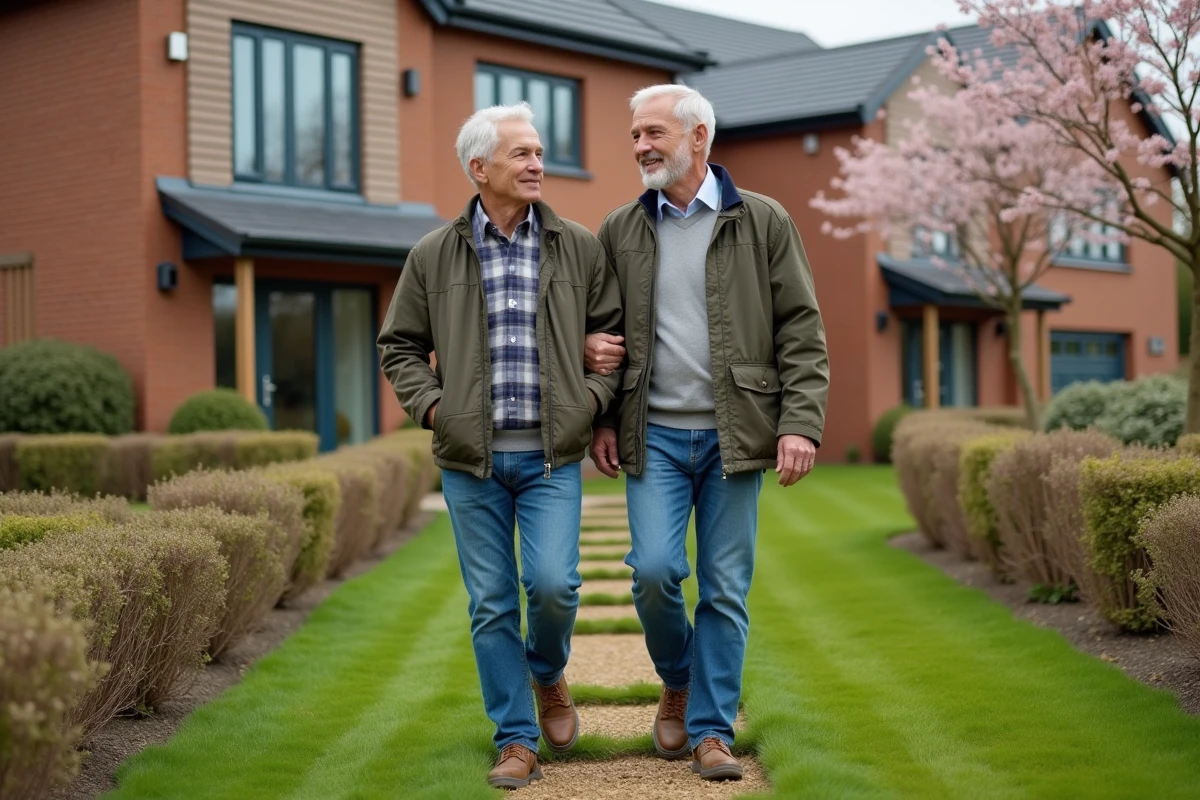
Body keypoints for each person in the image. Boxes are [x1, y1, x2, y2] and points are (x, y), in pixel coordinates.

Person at [585, 84, 829, 781]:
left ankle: (711, 732)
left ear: (698, 137)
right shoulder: (621, 228)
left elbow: (802, 332)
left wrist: (800, 424)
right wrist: (604, 417)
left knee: (724, 588)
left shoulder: (764, 220)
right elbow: (604, 333)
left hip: (736, 433)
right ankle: (680, 678)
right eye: (635, 135)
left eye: (653, 133)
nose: (640, 146)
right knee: (655, 573)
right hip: (653, 431)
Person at [378, 102, 624, 790]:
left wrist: (588, 404)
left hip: (551, 456)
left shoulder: (577, 245)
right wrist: (433, 409)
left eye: (539, 151)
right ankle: (515, 739)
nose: (537, 163)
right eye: (521, 154)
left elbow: (613, 346)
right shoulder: (433, 254)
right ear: (478, 167)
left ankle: (546, 671)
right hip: (471, 462)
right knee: (491, 603)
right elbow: (397, 345)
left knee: (552, 586)